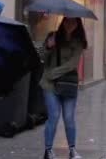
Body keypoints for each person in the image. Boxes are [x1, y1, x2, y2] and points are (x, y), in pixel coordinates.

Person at [41, 17, 86, 159]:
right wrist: (49, 47)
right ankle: (48, 150)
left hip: (67, 84)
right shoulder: (52, 36)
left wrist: (53, 73)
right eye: (67, 21)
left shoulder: (78, 42)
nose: (70, 24)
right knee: (53, 116)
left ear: (78, 24)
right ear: (63, 22)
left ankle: (72, 150)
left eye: (74, 22)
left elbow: (72, 64)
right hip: (50, 85)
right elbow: (42, 57)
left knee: (68, 118)